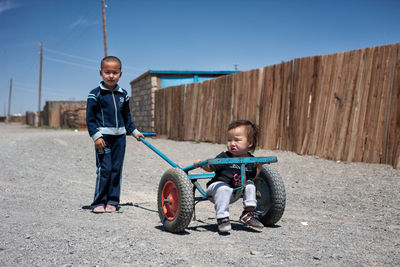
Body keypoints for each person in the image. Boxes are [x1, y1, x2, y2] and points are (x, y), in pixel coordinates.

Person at [86, 56, 144, 213]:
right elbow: (90, 120)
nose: (111, 76)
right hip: (103, 139)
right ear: (100, 73)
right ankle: (99, 202)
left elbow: (127, 118)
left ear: (121, 74)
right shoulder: (95, 95)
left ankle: (112, 201)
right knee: (105, 169)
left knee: (116, 169)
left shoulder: (123, 95)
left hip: (120, 139)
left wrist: (135, 132)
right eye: (107, 72)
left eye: (115, 72)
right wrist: (96, 136)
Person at [194, 120, 264, 232]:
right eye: (229, 140)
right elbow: (211, 168)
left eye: (237, 140)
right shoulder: (225, 157)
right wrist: (201, 164)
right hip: (216, 189)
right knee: (224, 188)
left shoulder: (250, 160)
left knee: (250, 184)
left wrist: (259, 166)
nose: (232, 143)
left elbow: (253, 176)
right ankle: (222, 218)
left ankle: (248, 213)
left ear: (249, 143)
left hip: (236, 190)